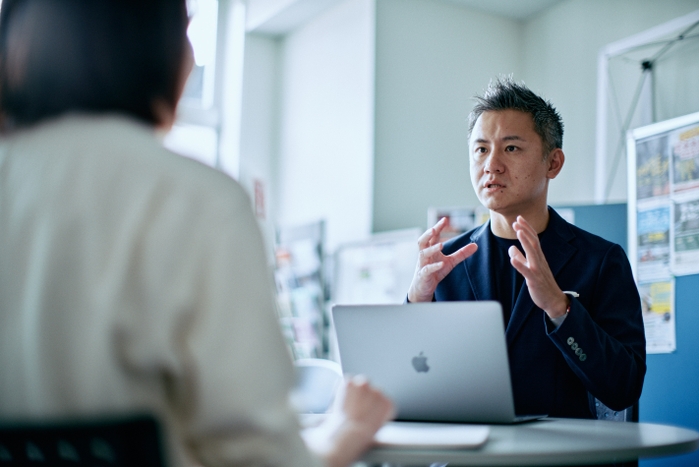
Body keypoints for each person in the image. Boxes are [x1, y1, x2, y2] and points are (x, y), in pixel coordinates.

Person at [0, 1, 394, 467]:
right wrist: (341, 433)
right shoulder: (197, 200)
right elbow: (260, 459)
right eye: (186, 34)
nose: (191, 56)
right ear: (151, 49)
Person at [407, 77, 646, 420]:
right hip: (469, 454)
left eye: (511, 148)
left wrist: (559, 308)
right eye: (481, 149)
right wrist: (416, 300)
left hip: (556, 457)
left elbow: (623, 387)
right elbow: (411, 382)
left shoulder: (600, 260)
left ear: (553, 163)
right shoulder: (446, 263)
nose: (491, 164)